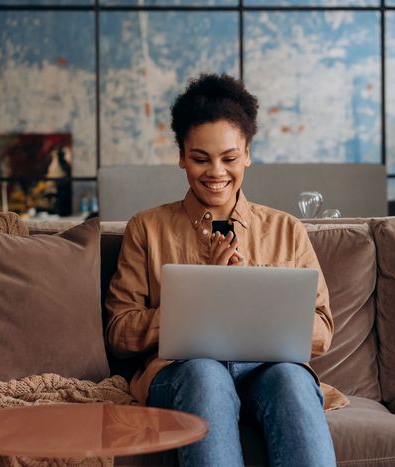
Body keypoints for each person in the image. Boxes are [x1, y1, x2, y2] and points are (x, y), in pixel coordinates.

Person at [105, 73, 345, 466]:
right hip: (182, 373)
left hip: (268, 372)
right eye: (200, 158)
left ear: (248, 153)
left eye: (230, 158)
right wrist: (201, 302)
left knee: (290, 379)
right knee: (205, 375)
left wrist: (255, 301)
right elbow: (119, 331)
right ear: (181, 156)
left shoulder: (286, 229)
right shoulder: (146, 229)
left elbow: (321, 331)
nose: (216, 172)